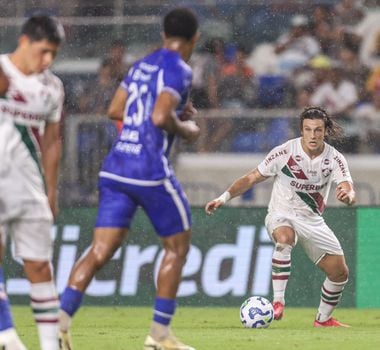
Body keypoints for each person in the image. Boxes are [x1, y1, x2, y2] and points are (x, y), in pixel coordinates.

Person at [58, 8, 200, 350]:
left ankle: (58, 326)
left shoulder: (142, 65)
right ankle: (159, 336)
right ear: (193, 39)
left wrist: (148, 125)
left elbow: (114, 110)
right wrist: (186, 128)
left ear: (165, 34)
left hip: (116, 167)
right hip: (148, 171)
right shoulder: (179, 69)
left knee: (99, 250)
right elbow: (160, 115)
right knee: (177, 248)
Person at [205, 106, 355, 327]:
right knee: (284, 238)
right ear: (301, 130)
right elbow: (251, 178)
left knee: (339, 273)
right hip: (281, 214)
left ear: (325, 131)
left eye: (318, 130)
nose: (313, 135)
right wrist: (223, 197)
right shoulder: (285, 152)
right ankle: (278, 302)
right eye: (308, 129)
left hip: (312, 220)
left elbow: (348, 188)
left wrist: (347, 196)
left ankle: (323, 320)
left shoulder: (334, 158)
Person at [0, 16, 65, 350]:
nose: (48, 60)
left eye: (54, 53)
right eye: (43, 51)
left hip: (29, 188)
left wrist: (51, 191)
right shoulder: (2, 73)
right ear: (24, 42)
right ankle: (6, 334)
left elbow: (53, 142)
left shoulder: (52, 87)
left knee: (40, 266)